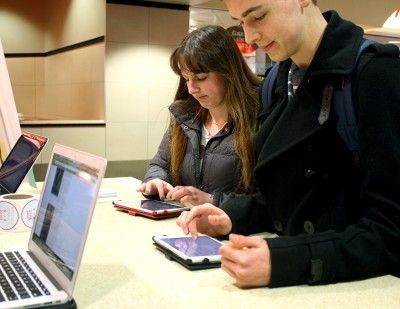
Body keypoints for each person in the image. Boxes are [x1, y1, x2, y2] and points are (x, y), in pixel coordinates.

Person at [177, 0, 400, 288]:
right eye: (241, 21)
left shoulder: (377, 75)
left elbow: (391, 229)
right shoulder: (277, 82)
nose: (250, 35)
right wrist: (230, 216)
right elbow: (288, 199)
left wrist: (289, 260)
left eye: (258, 16)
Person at [137, 25, 260, 206]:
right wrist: (156, 180)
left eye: (201, 77)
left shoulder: (261, 117)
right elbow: (160, 165)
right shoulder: (185, 117)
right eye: (186, 79)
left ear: (229, 72)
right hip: (186, 226)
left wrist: (213, 201)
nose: (191, 88)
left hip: (237, 231)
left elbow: (269, 197)